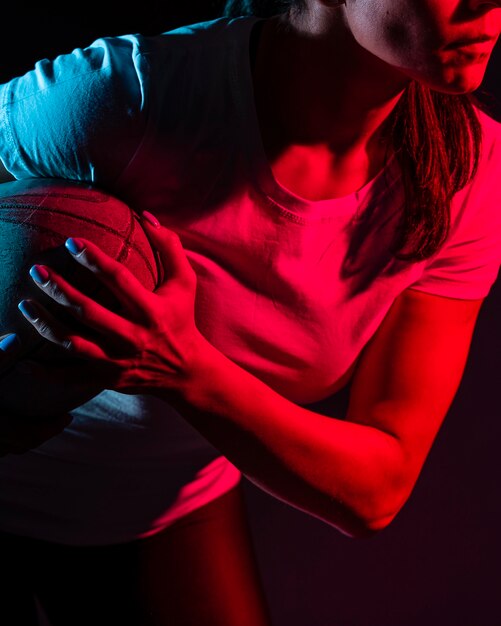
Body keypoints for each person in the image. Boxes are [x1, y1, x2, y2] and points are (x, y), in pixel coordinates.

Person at [0, 0, 500, 624]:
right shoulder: (129, 96)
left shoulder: (465, 176)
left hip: (159, 505)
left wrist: (184, 369)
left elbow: (376, 488)